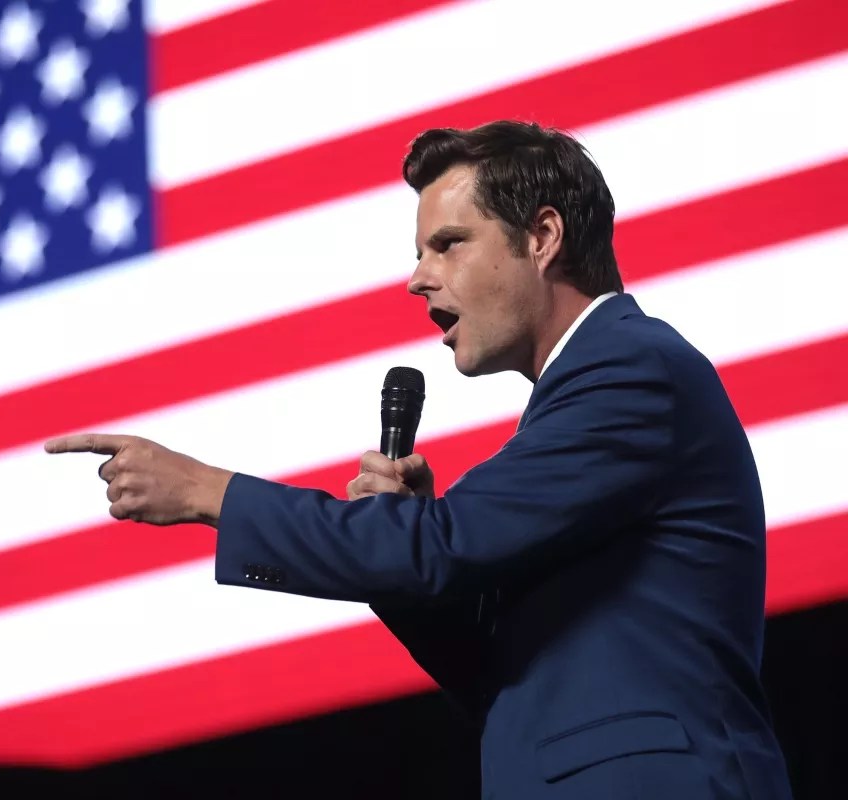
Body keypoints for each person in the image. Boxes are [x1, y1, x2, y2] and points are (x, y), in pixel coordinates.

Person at [44, 121, 793, 799]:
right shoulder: (591, 397)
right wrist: (406, 560)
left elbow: (441, 549)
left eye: (449, 244)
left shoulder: (632, 371)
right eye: (419, 253)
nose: (418, 278)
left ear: (542, 237)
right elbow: (504, 677)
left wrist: (206, 491)